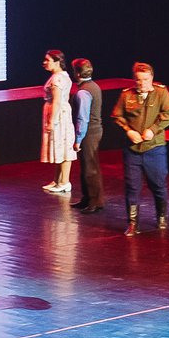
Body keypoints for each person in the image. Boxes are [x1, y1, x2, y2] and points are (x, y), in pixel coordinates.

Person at [113, 62, 169, 233]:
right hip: (132, 150)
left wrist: (153, 130)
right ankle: (133, 222)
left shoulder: (161, 93)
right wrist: (127, 130)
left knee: (158, 184)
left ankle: (162, 217)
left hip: (154, 148)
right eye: (139, 80)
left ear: (152, 78)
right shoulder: (127, 95)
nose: (142, 83)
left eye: (146, 79)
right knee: (132, 186)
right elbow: (117, 115)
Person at [40, 49, 76, 199]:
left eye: (47, 60)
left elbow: (56, 101)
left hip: (59, 115)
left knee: (64, 146)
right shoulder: (58, 76)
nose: (44, 62)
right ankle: (57, 180)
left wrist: (52, 121)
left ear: (57, 61)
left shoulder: (58, 79)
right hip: (58, 113)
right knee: (59, 147)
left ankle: (64, 182)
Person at [72, 56, 105, 214]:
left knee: (89, 168)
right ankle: (88, 198)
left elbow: (82, 118)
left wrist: (78, 139)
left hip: (89, 132)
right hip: (95, 129)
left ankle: (94, 201)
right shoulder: (94, 86)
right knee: (88, 165)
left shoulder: (83, 92)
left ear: (78, 73)